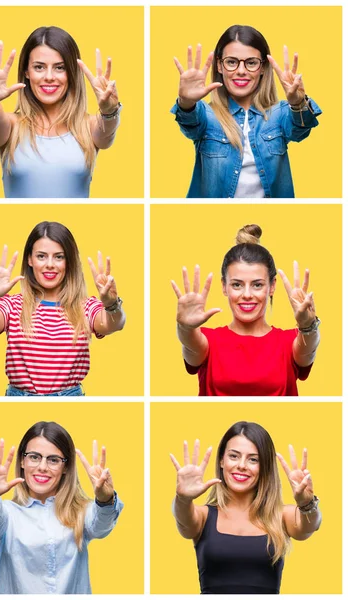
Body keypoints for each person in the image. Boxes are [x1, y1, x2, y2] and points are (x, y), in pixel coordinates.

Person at [0, 221, 125, 395]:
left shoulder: (86, 307)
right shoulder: (13, 305)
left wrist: (111, 303)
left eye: (59, 257)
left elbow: (115, 324)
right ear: (30, 259)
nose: (50, 264)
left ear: (69, 261)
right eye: (41, 256)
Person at [171, 25, 321, 198]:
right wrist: (186, 101)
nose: (241, 71)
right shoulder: (207, 115)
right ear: (219, 65)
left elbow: (300, 131)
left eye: (251, 63)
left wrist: (297, 103)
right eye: (231, 62)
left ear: (263, 67)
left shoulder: (279, 114)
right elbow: (190, 122)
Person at [170, 421, 321, 594]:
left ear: (264, 467)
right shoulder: (203, 516)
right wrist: (182, 498)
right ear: (221, 461)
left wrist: (306, 503)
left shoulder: (281, 515)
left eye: (253, 459)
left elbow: (310, 525)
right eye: (233, 456)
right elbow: (182, 519)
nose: (242, 465)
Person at [0, 421, 123, 594]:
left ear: (65, 467)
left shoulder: (81, 512)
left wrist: (105, 499)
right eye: (34, 457)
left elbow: (101, 526)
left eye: (53, 460)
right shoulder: (8, 515)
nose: (42, 467)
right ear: (22, 460)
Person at [0, 26, 122, 198]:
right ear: (26, 72)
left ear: (72, 73)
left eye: (60, 67)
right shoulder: (11, 126)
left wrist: (110, 110)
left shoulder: (88, 126)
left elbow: (107, 132)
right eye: (39, 67)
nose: (49, 76)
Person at [171, 224, 319, 395]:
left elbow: (308, 351)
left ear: (272, 286)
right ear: (224, 287)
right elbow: (190, 346)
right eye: (237, 285)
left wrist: (308, 325)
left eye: (257, 285)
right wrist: (185, 327)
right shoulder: (208, 341)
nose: (247, 294)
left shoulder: (289, 341)